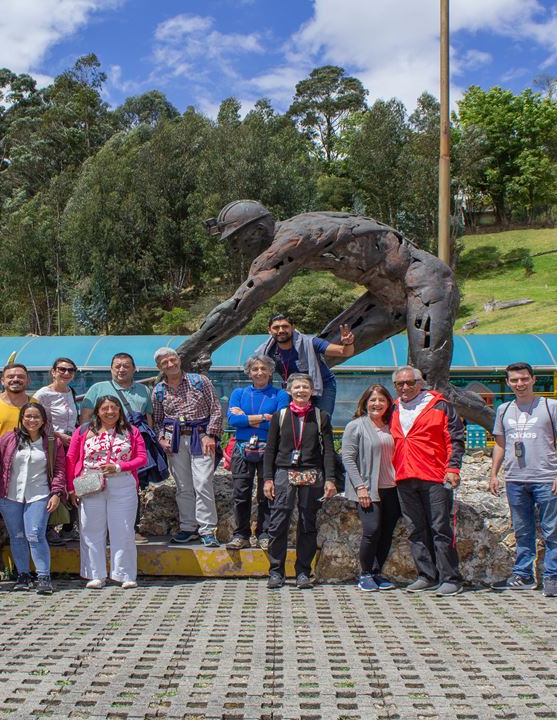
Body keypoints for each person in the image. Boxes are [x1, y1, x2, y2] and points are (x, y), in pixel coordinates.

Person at [174, 199, 494, 429]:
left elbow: (240, 307)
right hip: (385, 298)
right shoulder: (298, 229)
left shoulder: (290, 240)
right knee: (311, 363)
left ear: (258, 228)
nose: (235, 249)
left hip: (426, 284)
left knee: (430, 386)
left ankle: (499, 426)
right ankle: (311, 435)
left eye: (237, 240)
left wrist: (187, 351)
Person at [488, 362, 557, 597]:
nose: (520, 384)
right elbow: (500, 443)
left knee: (552, 530)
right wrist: (494, 474)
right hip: (515, 479)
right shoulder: (504, 409)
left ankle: (552, 577)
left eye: (524, 379)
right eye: (514, 380)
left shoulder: (550, 406)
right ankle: (523, 574)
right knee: (522, 530)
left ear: (533, 379)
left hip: (546, 478)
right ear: (508, 383)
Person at [390, 365, 466, 596]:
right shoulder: (393, 408)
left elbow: (455, 438)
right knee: (415, 529)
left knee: (440, 528)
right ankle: (426, 575)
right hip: (404, 476)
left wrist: (453, 468)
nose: (404, 388)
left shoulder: (440, 405)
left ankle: (451, 578)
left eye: (409, 383)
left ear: (420, 383)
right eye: (399, 384)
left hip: (435, 475)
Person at [262, 373, 339, 590]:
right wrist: (268, 479)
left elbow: (329, 450)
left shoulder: (320, 415)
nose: (301, 391)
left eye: (305, 387)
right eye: (297, 387)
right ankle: (276, 572)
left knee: (307, 522)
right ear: (289, 390)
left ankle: (303, 572)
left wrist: (330, 479)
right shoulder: (280, 415)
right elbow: (270, 450)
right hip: (284, 472)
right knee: (278, 522)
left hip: (311, 473)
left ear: (312, 390)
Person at [81, 351, 166, 543]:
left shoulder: (143, 390)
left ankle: (130, 528)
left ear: (134, 369)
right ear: (111, 369)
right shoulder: (97, 388)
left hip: (130, 446)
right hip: (100, 448)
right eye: (117, 366)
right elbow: (85, 420)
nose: (121, 369)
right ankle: (99, 531)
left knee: (132, 486)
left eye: (126, 366)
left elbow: (148, 420)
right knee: (96, 486)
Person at [67, 396, 148, 589]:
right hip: (90, 483)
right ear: (97, 411)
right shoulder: (84, 431)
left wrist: (120, 467)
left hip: (122, 484)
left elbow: (142, 458)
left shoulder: (131, 431)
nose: (110, 411)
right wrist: (71, 487)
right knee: (91, 529)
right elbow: (71, 457)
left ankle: (125, 574)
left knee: (124, 530)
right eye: (105, 408)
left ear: (120, 411)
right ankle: (95, 574)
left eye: (114, 408)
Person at [151, 347, 224, 547]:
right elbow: (157, 420)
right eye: (164, 363)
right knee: (183, 486)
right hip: (174, 439)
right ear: (159, 367)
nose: (170, 364)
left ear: (179, 360)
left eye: (172, 359)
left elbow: (216, 408)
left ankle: (208, 529)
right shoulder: (158, 390)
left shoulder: (200, 381)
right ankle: (188, 527)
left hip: (200, 436)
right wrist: (161, 438)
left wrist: (210, 434)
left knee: (202, 482)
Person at [0, 402, 66, 595]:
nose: (32, 420)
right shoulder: (9, 439)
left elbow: (59, 469)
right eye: (28, 416)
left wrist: (56, 493)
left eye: (36, 417)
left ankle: (43, 577)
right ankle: (23, 575)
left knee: (35, 534)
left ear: (43, 420)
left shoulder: (52, 442)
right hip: (10, 496)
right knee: (17, 536)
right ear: (21, 418)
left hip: (40, 494)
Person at [340, 384, 400, 592]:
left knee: (386, 532)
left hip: (391, 488)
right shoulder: (356, 426)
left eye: (381, 400)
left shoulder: (393, 425)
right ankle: (365, 574)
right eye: (373, 400)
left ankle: (377, 572)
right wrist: (360, 487)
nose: (377, 404)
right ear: (365, 403)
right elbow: (347, 458)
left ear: (388, 404)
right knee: (371, 530)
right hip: (367, 488)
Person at [226, 355, 289, 550]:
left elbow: (279, 423)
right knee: (240, 493)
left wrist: (246, 418)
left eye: (263, 368)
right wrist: (262, 417)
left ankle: (264, 533)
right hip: (242, 448)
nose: (259, 372)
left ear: (271, 371)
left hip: (269, 449)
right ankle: (241, 534)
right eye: (255, 369)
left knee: (267, 493)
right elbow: (232, 421)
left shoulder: (281, 395)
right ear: (249, 372)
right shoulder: (239, 393)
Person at [260, 315, 355, 416]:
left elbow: (344, 352)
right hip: (294, 388)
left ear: (293, 327)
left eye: (285, 326)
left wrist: (348, 344)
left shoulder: (310, 342)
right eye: (276, 327)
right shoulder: (268, 351)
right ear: (269, 330)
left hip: (321, 386)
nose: (281, 330)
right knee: (290, 420)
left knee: (321, 420)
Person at [33, 358, 80, 545]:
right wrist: (59, 436)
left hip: (71, 443)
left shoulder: (71, 392)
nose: (66, 373)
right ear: (53, 372)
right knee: (52, 482)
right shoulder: (43, 394)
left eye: (70, 370)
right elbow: (36, 421)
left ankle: (69, 526)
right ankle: (49, 528)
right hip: (52, 443)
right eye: (62, 369)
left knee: (74, 482)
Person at [0, 363, 32, 443]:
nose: (15, 379)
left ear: (28, 381)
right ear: (2, 381)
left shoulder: (37, 405)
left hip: (27, 454)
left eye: (21, 377)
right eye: (10, 377)